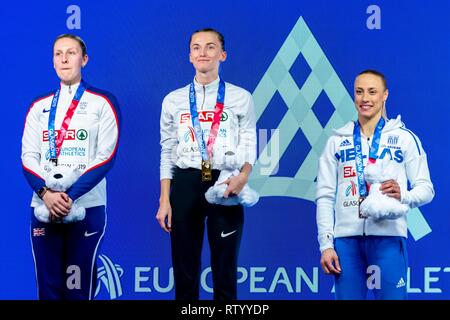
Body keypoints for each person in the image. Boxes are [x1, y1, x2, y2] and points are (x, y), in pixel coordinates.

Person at [156, 28, 257, 300]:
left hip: (226, 183)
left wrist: (243, 177)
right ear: (189, 56)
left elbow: (249, 144)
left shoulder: (241, 97)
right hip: (186, 184)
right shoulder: (173, 100)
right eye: (197, 47)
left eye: (210, 47)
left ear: (222, 55)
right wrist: (165, 200)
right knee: (184, 270)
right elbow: (167, 152)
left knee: (225, 270)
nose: (203, 52)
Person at [315, 69, 434, 300]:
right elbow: (325, 196)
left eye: (372, 92)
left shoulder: (404, 138)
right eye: (359, 92)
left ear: (385, 95)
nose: (365, 98)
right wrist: (326, 245)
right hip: (346, 243)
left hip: (388, 239)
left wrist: (404, 195)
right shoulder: (336, 141)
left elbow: (426, 189)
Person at [21, 34, 121, 300]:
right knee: (48, 289)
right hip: (43, 208)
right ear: (53, 61)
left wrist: (68, 197)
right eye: (58, 53)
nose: (64, 59)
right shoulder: (38, 107)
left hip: (86, 206)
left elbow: (105, 156)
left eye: (71, 53)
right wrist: (46, 194)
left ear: (84, 59)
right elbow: (28, 157)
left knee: (78, 289)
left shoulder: (103, 102)